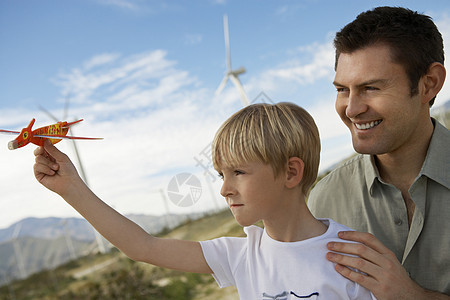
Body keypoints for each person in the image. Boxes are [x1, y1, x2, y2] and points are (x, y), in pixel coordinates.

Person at [34, 102, 373, 299]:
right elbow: (143, 247)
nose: (225, 189)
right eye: (220, 175)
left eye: (238, 172)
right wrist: (72, 189)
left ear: (290, 173)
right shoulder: (240, 255)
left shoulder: (354, 257)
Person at [307, 6, 450, 299]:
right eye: (342, 90)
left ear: (429, 84)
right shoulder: (323, 200)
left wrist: (413, 296)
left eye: (370, 87)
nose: (351, 109)